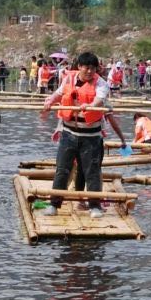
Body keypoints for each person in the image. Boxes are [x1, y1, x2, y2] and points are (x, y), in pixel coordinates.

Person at [42, 52, 109, 219]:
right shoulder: (69, 79)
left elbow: (99, 100)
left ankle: (95, 206)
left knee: (92, 171)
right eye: (86, 68)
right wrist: (50, 101)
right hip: (69, 133)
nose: (89, 71)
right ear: (79, 67)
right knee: (62, 169)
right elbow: (58, 94)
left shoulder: (101, 84)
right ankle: (54, 204)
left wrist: (90, 106)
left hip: (91, 136)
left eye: (93, 69)